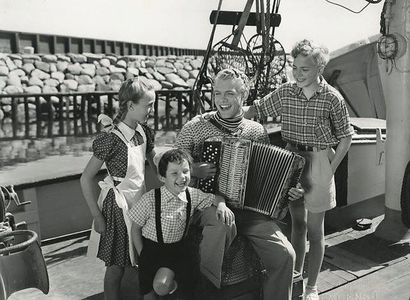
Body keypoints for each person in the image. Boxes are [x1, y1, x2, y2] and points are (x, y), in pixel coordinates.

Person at [176, 68, 303, 300]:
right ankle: (205, 290)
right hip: (207, 205)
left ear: (244, 97)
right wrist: (192, 169)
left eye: (230, 94)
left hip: (250, 211)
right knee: (223, 221)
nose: (222, 100)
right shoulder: (196, 126)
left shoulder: (255, 131)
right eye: (217, 93)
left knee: (286, 254)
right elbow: (170, 167)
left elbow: (269, 178)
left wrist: (289, 191)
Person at [244, 39, 354, 300]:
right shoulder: (286, 92)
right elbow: (256, 109)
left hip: (319, 162)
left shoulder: (331, 98)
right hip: (291, 160)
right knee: (297, 224)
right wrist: (226, 119)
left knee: (316, 231)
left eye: (304, 69)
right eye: (295, 67)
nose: (298, 73)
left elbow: (346, 136)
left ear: (319, 68)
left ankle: (312, 286)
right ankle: (294, 279)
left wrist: (330, 168)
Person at [80, 77, 156, 300]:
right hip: (118, 209)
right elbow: (85, 178)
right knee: (116, 267)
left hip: (141, 202)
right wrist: (97, 216)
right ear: (131, 106)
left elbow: (156, 164)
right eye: (148, 105)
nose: (151, 109)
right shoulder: (111, 139)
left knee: (144, 259)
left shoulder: (144, 132)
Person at [128, 148, 235, 300]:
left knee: (163, 286)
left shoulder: (192, 194)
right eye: (174, 173)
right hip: (151, 249)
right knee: (148, 292)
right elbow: (135, 229)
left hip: (177, 251)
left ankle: (174, 287)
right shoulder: (150, 199)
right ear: (162, 177)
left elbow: (216, 198)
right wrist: (142, 254)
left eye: (185, 171)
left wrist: (222, 205)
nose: (182, 177)